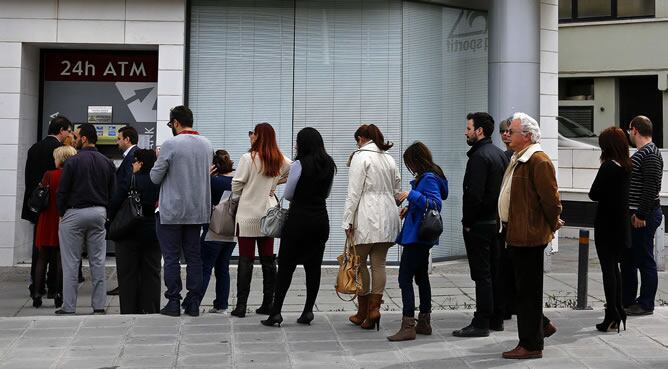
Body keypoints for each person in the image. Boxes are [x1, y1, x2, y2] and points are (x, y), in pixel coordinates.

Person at [498, 113, 562, 359]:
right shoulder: (519, 158)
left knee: (528, 293)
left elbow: (551, 199)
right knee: (515, 288)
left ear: (526, 136)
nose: (507, 135)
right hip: (514, 233)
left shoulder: (538, 161)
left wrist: (552, 223)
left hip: (529, 236)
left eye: (511, 132)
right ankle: (541, 327)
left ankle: (531, 345)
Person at [261, 127, 336, 327]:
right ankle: (308, 310)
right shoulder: (329, 164)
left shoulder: (299, 164)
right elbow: (327, 193)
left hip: (298, 220)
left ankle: (276, 312)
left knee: (286, 266)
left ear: (303, 144)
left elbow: (289, 194)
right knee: (314, 267)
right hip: (320, 219)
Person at [151, 105, 213, 317]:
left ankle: (173, 301)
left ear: (176, 123)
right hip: (196, 210)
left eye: (171, 124)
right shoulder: (207, 144)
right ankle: (193, 301)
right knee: (194, 257)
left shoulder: (170, 144)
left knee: (171, 258)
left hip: (172, 211)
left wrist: (159, 157)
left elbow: (154, 178)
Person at [453, 112, 509, 337]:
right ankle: (496, 318)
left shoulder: (479, 157)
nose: (466, 132)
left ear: (479, 131)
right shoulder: (500, 155)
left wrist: (468, 222)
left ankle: (481, 322)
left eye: (468, 128)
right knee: (495, 272)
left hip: (481, 225)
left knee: (482, 274)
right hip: (497, 223)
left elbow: (473, 195)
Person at [387, 142, 448, 341]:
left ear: (416, 160)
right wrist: (410, 207)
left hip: (417, 237)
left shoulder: (429, 177)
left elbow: (435, 203)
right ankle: (424, 322)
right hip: (420, 236)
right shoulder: (431, 175)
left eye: (409, 162)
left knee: (404, 278)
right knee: (421, 277)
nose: (409, 167)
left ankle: (408, 325)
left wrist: (410, 195)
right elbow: (426, 202)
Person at [343, 124, 401, 331]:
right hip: (387, 215)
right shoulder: (389, 158)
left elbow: (353, 192)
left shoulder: (361, 157)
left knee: (359, 263)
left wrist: (347, 220)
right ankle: (374, 310)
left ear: (360, 138)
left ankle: (363, 311)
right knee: (379, 263)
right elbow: (396, 190)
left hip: (366, 215)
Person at [230, 123, 291, 318]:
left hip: (247, 213)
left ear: (257, 136)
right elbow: (292, 170)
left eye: (252, 133)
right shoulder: (278, 159)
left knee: (245, 259)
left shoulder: (248, 158)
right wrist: (274, 183)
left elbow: (236, 184)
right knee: (268, 259)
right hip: (268, 214)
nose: (250, 136)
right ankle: (268, 303)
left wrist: (246, 192)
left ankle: (241, 306)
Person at [56, 123, 116, 315]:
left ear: (83, 139)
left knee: (71, 262)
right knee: (98, 261)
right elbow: (113, 192)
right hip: (98, 212)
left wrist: (61, 213)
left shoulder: (73, 162)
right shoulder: (106, 162)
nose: (73, 138)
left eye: (75, 135)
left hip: (74, 213)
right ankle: (98, 306)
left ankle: (69, 306)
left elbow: (62, 191)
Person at [22, 116, 72, 299]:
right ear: (61, 130)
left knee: (40, 248)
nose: (69, 134)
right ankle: (53, 287)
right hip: (55, 207)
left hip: (37, 205)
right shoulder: (58, 151)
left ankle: (36, 285)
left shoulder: (34, 148)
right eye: (68, 130)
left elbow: (28, 179)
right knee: (56, 250)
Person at [588, 127, 631, 332]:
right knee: (616, 269)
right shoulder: (625, 165)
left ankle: (612, 314)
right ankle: (618, 311)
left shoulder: (608, 167)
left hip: (606, 225)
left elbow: (593, 193)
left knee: (608, 271)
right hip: (621, 225)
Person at [622, 115, 663, 316]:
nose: (629, 133)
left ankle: (646, 303)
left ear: (635, 130)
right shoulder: (643, 152)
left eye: (629, 130)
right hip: (636, 214)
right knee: (629, 259)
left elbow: (651, 187)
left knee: (644, 260)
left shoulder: (650, 154)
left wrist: (640, 214)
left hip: (643, 216)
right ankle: (627, 300)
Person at [114, 149, 162, 314]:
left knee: (128, 274)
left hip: (129, 231)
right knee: (152, 272)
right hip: (153, 231)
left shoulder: (129, 180)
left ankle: (129, 309)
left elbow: (114, 203)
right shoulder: (160, 182)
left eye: (134, 161)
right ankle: (151, 308)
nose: (133, 164)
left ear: (140, 163)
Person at [32, 145, 77, 309]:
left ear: (59, 158)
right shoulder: (72, 175)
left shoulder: (48, 175)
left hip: (46, 220)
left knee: (42, 258)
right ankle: (59, 294)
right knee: (61, 260)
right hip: (63, 218)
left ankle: (37, 294)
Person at [200, 150, 237, 314]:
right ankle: (221, 305)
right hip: (231, 231)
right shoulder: (237, 181)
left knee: (205, 268)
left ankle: (193, 302)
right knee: (223, 268)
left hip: (213, 231)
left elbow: (198, 193)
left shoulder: (213, 181)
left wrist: (206, 176)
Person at [107, 126, 140, 297]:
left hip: (126, 211)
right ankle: (127, 284)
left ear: (127, 139)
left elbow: (124, 185)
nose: (117, 142)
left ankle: (126, 286)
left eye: (119, 138)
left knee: (125, 252)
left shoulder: (132, 157)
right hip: (130, 211)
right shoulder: (133, 155)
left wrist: (111, 209)